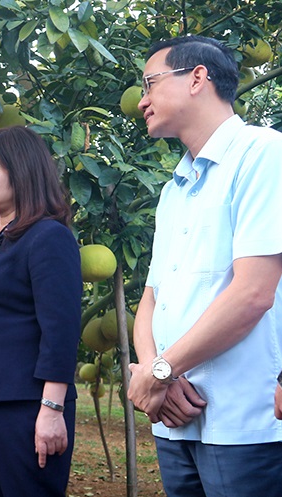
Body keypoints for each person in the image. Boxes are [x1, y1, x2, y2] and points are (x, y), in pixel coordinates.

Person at [126, 36, 282, 496]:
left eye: (151, 83)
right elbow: (153, 296)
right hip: (174, 416)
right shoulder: (174, 187)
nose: (142, 101)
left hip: (242, 421)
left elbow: (253, 293)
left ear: (197, 78)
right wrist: (157, 370)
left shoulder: (263, 155)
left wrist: (159, 373)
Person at [0, 125, 81, 496]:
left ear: (22, 171)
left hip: (28, 405)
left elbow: (60, 331)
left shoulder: (47, 237)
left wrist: (52, 409)